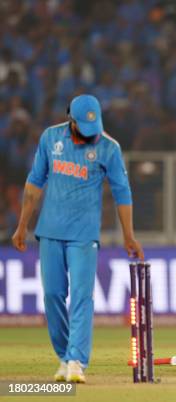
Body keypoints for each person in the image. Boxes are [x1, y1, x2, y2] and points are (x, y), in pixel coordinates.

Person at [11, 94, 143, 383]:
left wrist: (128, 236)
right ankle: (64, 356)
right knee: (53, 296)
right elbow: (35, 182)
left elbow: (123, 193)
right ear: (71, 119)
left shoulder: (109, 147)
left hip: (84, 235)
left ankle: (76, 361)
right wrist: (22, 226)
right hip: (49, 232)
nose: (88, 135)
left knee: (82, 297)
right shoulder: (50, 138)